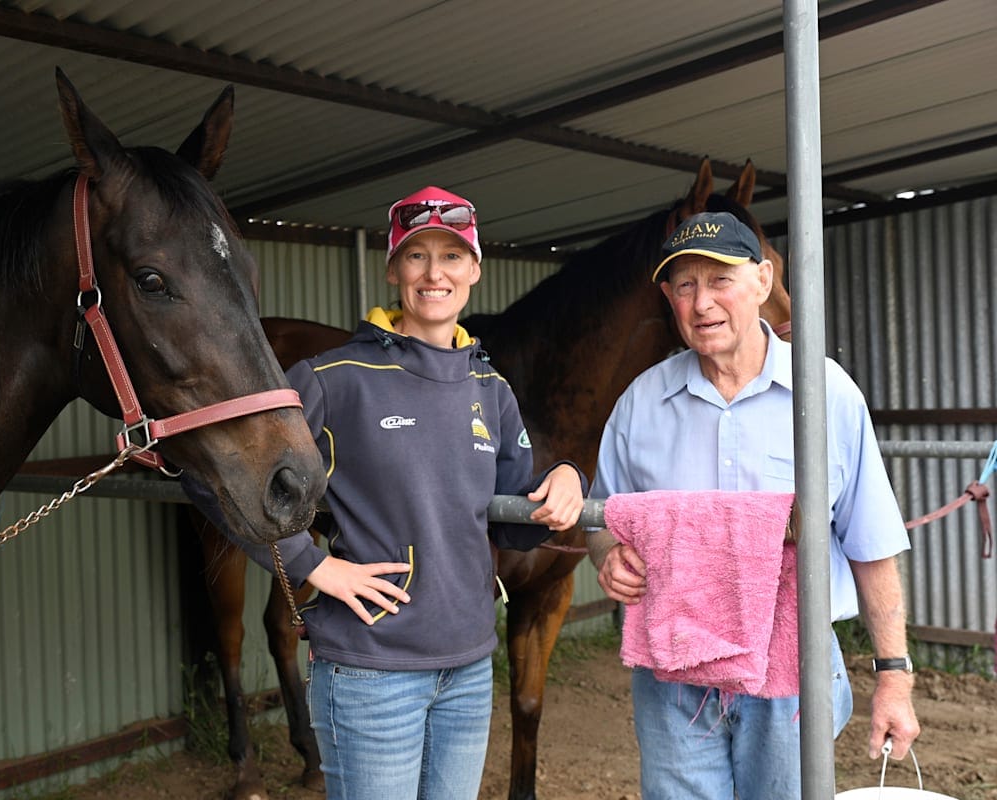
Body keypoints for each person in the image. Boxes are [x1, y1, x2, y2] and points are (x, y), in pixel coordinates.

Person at [181, 185, 586, 800]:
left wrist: (566, 483)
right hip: (370, 673)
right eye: (417, 255)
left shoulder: (490, 387)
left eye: (451, 256)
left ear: (475, 269)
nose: (434, 273)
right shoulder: (334, 378)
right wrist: (315, 567)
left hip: (469, 669)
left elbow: (511, 523)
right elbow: (213, 475)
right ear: (394, 268)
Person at [584, 211, 920, 800]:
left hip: (793, 670)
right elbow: (602, 515)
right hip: (674, 672)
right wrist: (607, 553)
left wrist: (893, 677)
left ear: (763, 282)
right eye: (685, 286)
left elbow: (872, 543)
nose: (703, 302)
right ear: (668, 297)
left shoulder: (827, 394)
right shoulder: (641, 403)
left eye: (720, 281)